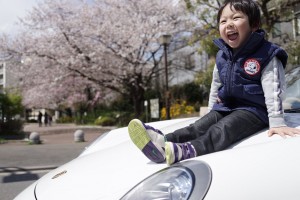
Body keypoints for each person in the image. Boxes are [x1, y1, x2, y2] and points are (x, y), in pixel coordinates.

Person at [128, 0, 300, 165]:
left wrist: (277, 122)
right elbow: (216, 86)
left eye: (236, 18)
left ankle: (185, 150)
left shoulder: (266, 53)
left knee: (222, 130)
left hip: (253, 111)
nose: (229, 24)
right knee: (197, 127)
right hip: (225, 107)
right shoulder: (222, 55)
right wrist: (211, 113)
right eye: (223, 21)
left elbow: (274, 88)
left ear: (254, 25)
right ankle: (162, 141)